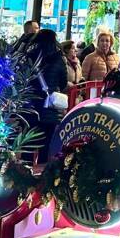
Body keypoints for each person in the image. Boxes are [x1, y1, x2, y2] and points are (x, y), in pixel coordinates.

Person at [27, 29, 69, 162]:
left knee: (28, 142)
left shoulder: (30, 56)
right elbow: (63, 82)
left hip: (31, 106)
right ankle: (41, 173)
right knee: (46, 144)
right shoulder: (59, 58)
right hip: (50, 107)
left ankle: (24, 172)